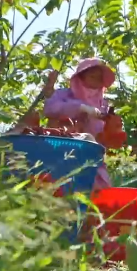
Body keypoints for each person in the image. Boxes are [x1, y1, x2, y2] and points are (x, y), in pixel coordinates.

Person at [43, 58, 117, 191]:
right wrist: (80, 108)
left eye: (99, 78)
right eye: (92, 76)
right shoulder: (63, 94)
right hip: (61, 149)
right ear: (81, 77)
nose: (96, 80)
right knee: (60, 186)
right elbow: (50, 108)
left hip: (90, 153)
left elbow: (102, 133)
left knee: (98, 188)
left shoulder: (103, 104)